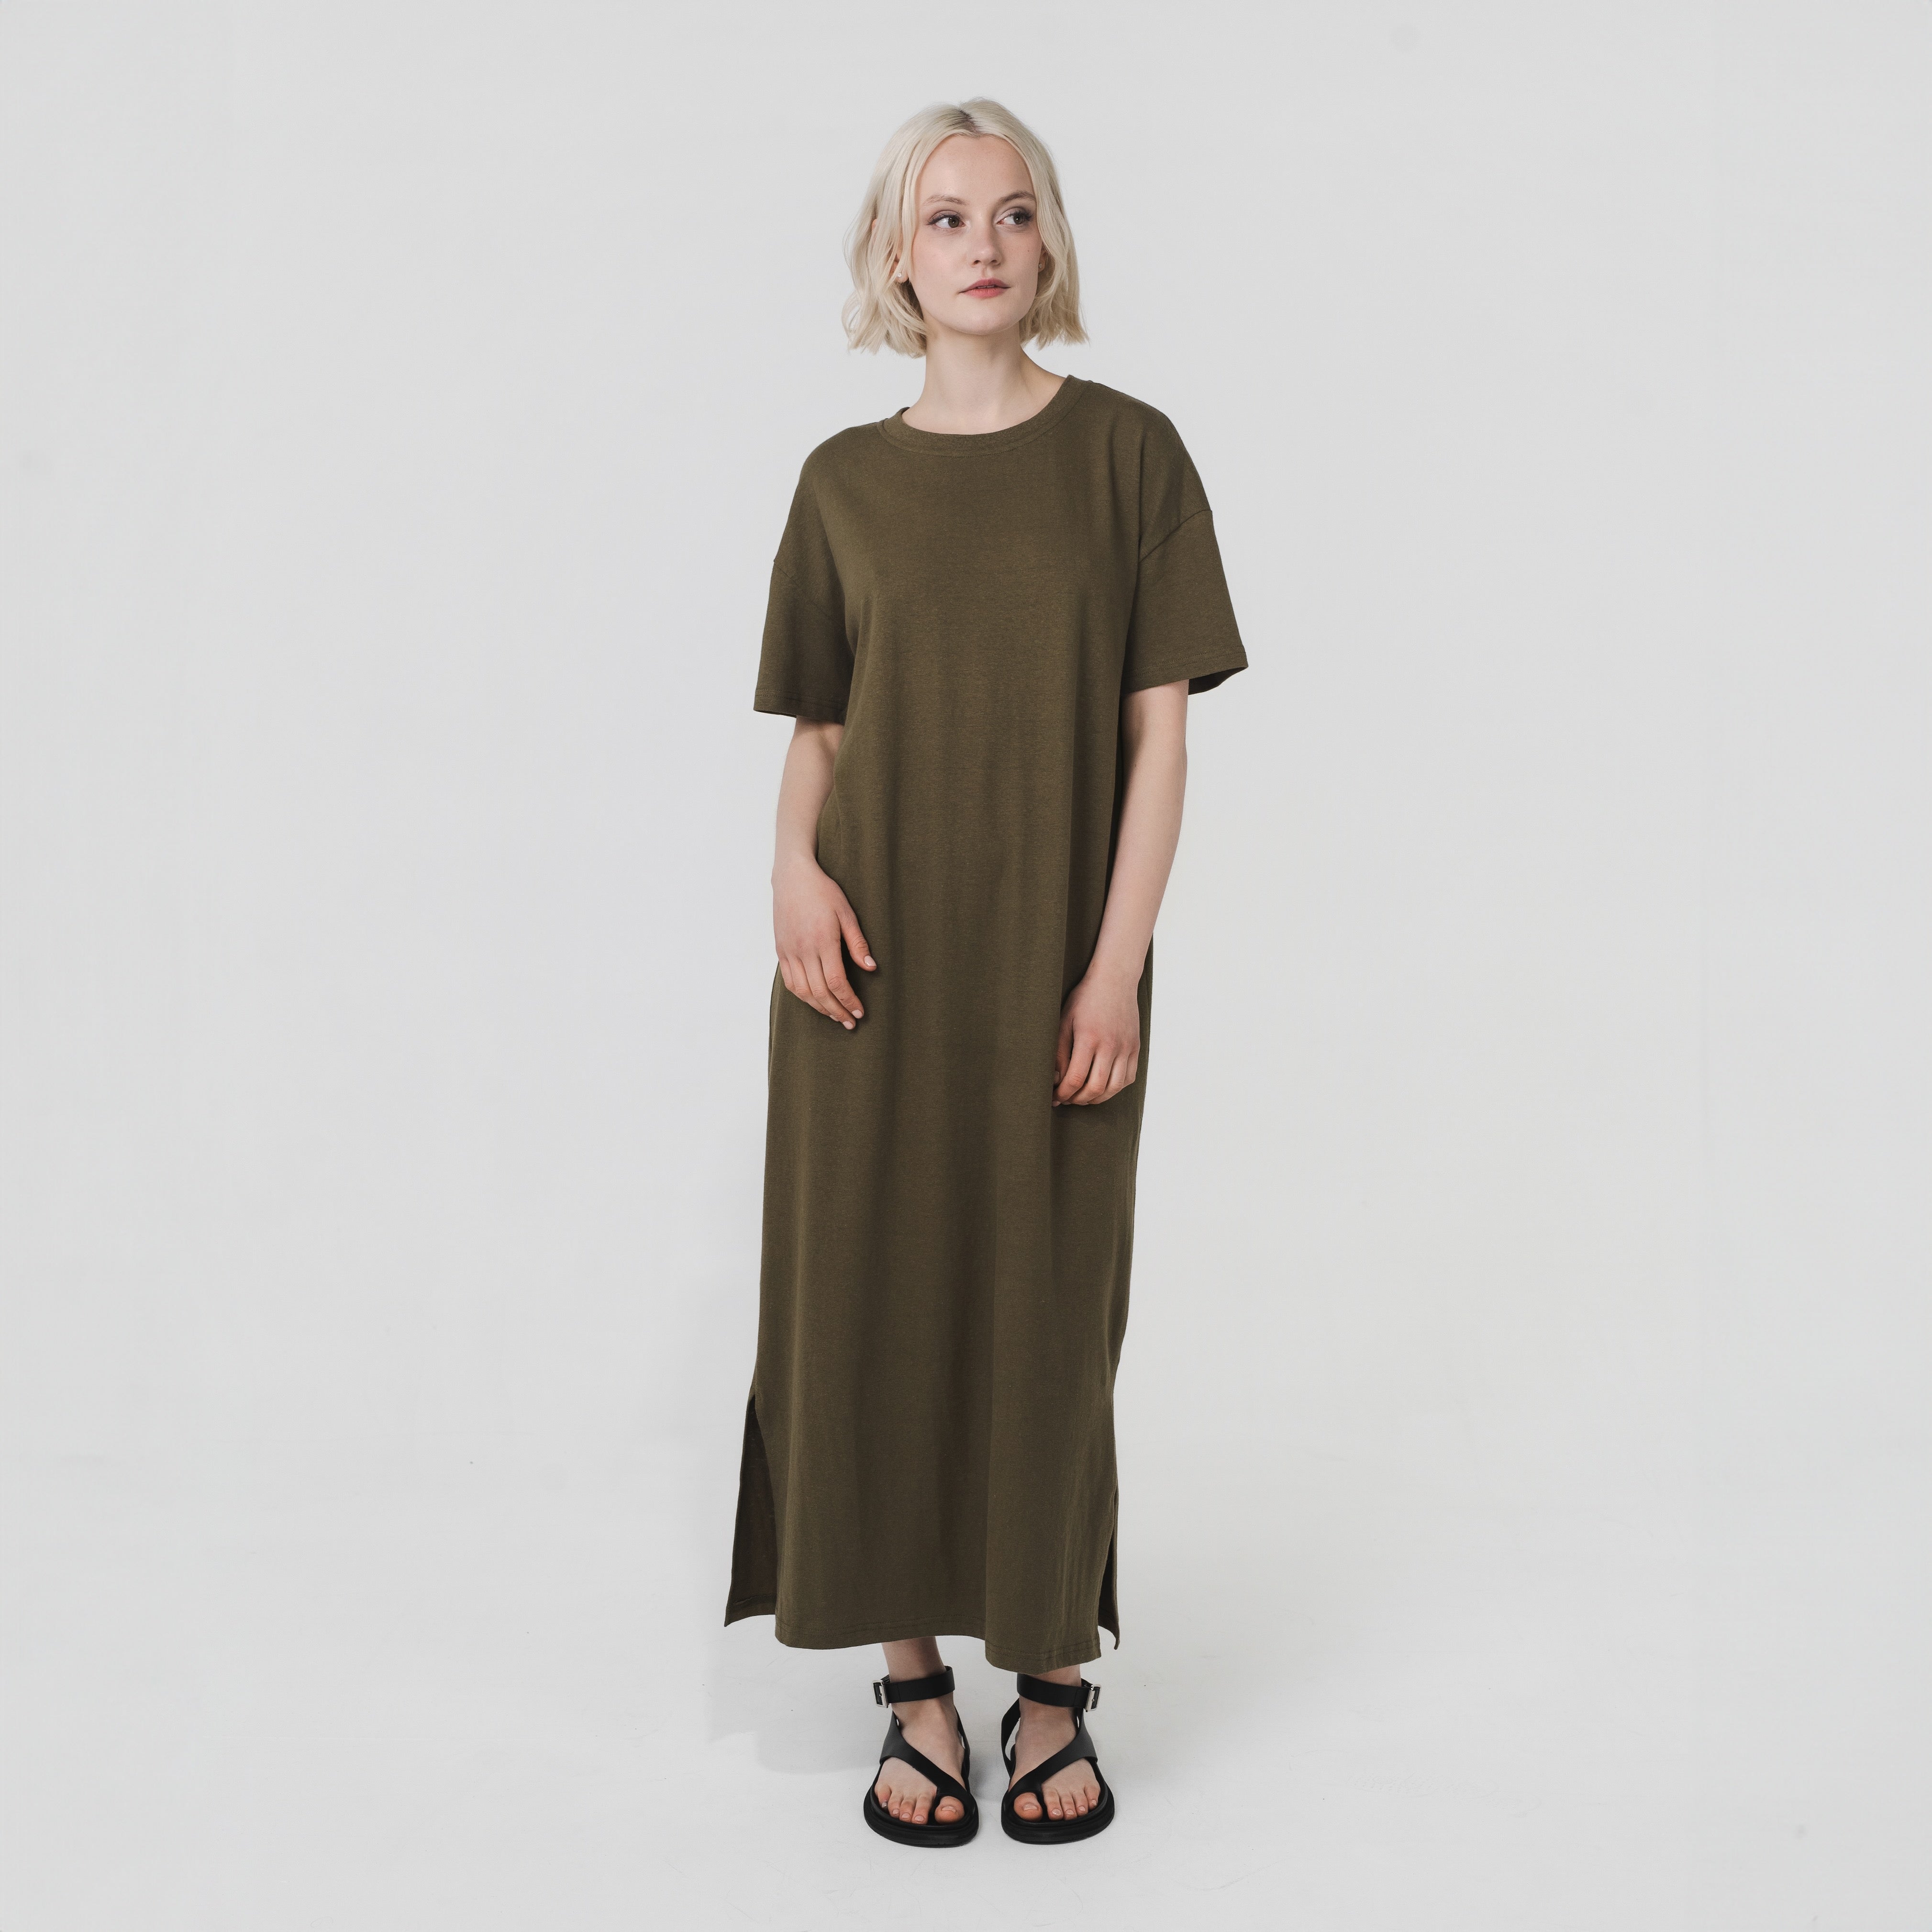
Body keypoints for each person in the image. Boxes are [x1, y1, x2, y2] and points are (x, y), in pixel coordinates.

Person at [724, 98, 1246, 1847]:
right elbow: (821, 731)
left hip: (1052, 974)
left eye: (1015, 213)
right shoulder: (840, 483)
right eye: (946, 217)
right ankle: (913, 1690)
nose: (984, 245)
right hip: (862, 977)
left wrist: (1116, 969)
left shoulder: (1130, 457)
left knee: (1046, 1315)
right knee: (866, 1304)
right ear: (898, 251)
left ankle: (1051, 1683)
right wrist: (792, 872)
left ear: (1051, 242)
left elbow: (1159, 741)